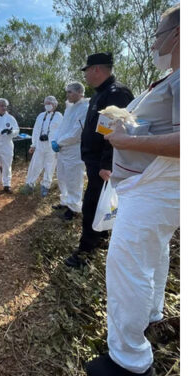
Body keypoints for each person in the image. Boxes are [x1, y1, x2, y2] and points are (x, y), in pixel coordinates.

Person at [84, 5, 180, 376]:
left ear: (180, 33)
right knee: (153, 254)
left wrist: (126, 141)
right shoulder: (172, 78)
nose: (155, 42)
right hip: (151, 186)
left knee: (127, 264)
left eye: (159, 34)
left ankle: (129, 361)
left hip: (156, 187)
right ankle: (152, 315)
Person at [64, 52, 133, 268]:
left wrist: (106, 163)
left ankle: (85, 251)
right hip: (94, 162)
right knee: (99, 204)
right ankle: (100, 237)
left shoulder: (116, 94)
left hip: (104, 165)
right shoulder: (99, 95)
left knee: (92, 205)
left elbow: (117, 132)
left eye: (86, 71)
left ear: (96, 69)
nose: (85, 76)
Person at [49, 82, 89, 220]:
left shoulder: (85, 107)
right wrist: (55, 139)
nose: (68, 95)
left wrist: (59, 142)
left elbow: (77, 133)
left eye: (70, 92)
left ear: (79, 92)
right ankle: (65, 201)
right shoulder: (69, 108)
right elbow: (61, 127)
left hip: (74, 150)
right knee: (62, 177)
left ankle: (74, 208)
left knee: (74, 179)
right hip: (62, 149)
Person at [21, 96, 63, 197]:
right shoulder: (40, 116)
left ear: (54, 104)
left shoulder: (59, 116)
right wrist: (33, 145)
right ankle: (30, 184)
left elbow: (62, 131)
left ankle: (45, 186)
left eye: (49, 103)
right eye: (46, 103)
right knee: (35, 165)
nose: (47, 105)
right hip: (40, 145)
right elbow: (35, 131)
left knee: (50, 166)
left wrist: (59, 144)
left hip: (51, 146)